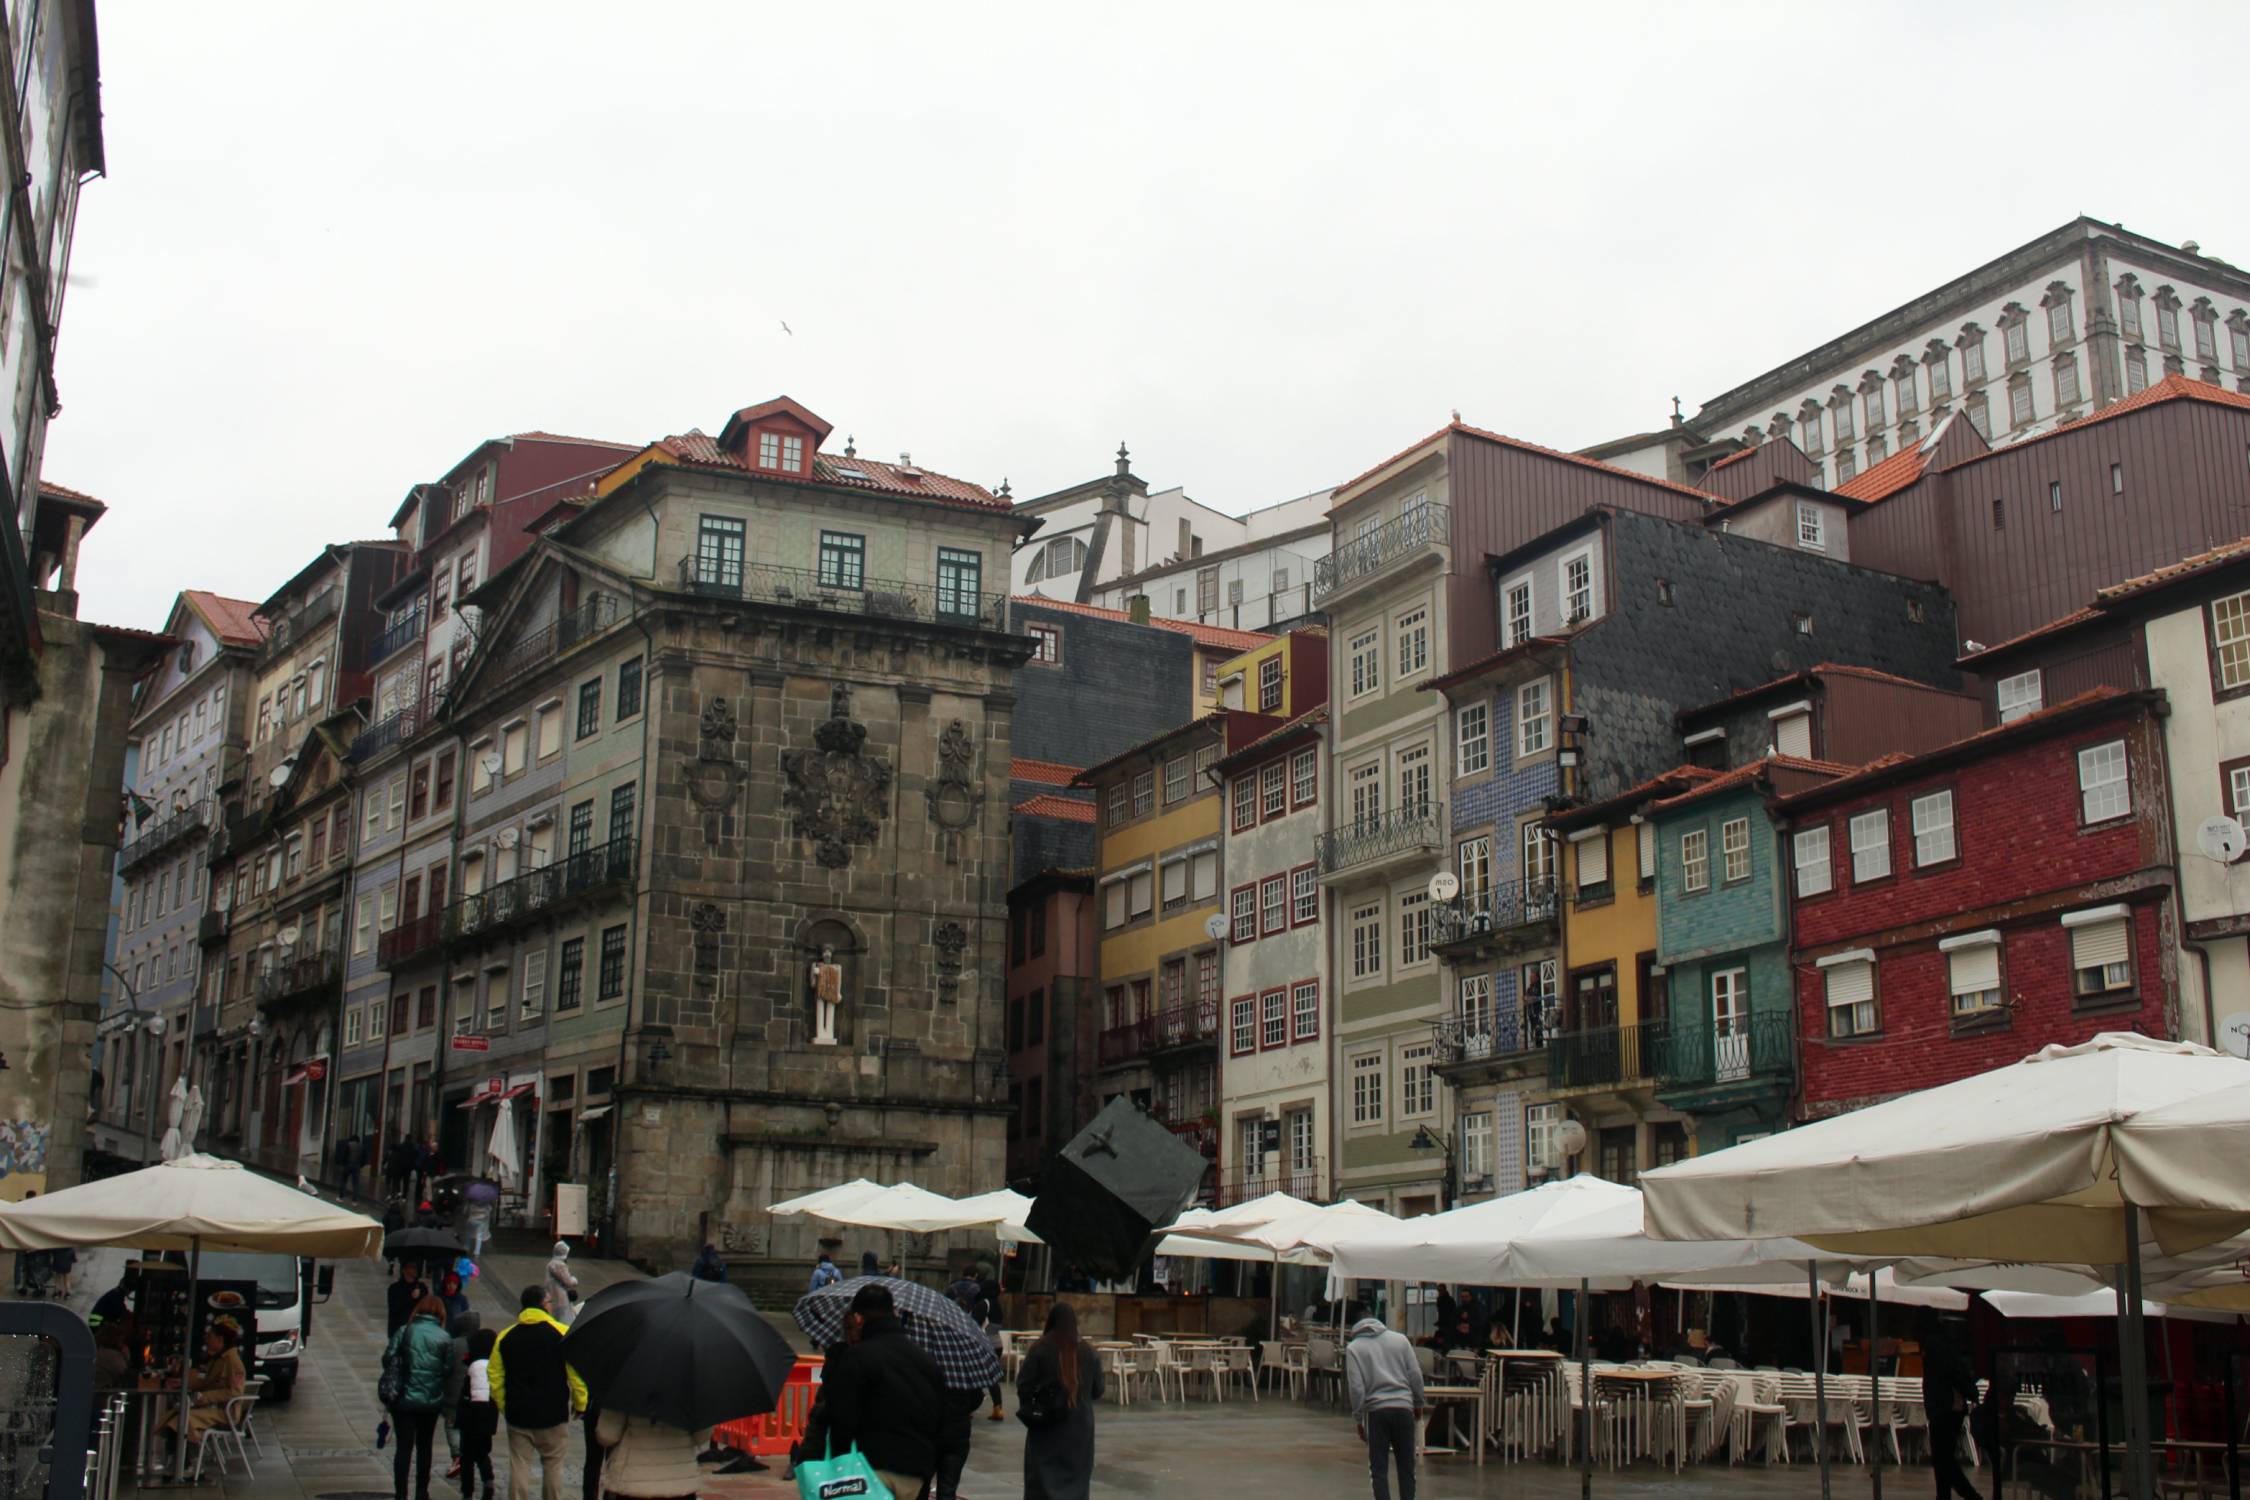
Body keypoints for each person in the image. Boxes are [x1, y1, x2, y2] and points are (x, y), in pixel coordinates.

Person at [816, 1284, 945, 1500]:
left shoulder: (858, 1357)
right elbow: (940, 1418)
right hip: (915, 1474)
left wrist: (838, 1468)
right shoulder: (926, 1360)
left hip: (870, 1470)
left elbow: (842, 1420)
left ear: (858, 1318)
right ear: (893, 1312)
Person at [489, 1284, 585, 1500]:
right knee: (553, 1466)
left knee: (519, 1465)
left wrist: (504, 1404)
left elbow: (495, 1376)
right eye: (549, 1302)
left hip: (519, 1413)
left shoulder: (506, 1336)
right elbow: (575, 1373)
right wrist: (581, 1403)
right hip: (553, 1414)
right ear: (544, 1305)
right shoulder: (561, 1333)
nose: (551, 1305)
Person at [1017, 1301, 1103, 1500]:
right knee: (1077, 1480)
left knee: (1042, 1479)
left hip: (1047, 1426)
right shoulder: (1088, 1352)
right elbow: (1098, 1390)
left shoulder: (1040, 1349)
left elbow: (1023, 1386)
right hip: (1080, 1428)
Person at [1346, 1316, 1425, 1500]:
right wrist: (1418, 1403)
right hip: (1404, 1409)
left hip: (1377, 1413)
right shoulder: (1400, 1339)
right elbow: (1415, 1375)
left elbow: (1356, 1388)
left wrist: (1358, 1418)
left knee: (1378, 1469)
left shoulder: (1354, 1348)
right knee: (1407, 1468)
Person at [385, 1294, 455, 1500]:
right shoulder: (444, 1337)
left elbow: (388, 1358)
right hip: (431, 1401)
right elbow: (448, 1369)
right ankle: (422, 1491)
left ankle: (401, 1493)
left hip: (405, 1398)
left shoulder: (405, 1331)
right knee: (425, 1446)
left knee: (404, 1447)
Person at [162, 1316, 247, 1446]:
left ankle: (186, 1458)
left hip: (225, 1413)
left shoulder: (233, 1362)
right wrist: (183, 1383)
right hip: (211, 1408)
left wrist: (205, 1397)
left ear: (220, 1340)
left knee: (183, 1419)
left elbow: (235, 1392)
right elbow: (205, 1381)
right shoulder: (217, 1359)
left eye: (209, 1336)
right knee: (175, 1414)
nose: (206, 1340)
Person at [595, 1407, 712, 1500]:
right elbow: (703, 1437)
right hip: (681, 1484)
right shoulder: (692, 1389)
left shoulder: (624, 1385)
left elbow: (607, 1435)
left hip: (633, 1483)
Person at [1923, 1324, 1984, 1500]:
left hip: (1945, 1408)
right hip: (1949, 1408)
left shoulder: (1935, 1348)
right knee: (1944, 1459)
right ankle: (1948, 1496)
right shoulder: (1949, 1349)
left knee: (1943, 1460)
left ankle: (1970, 1496)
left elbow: (1947, 1377)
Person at [455, 1320, 499, 1500]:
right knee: (482, 1453)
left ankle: (468, 1491)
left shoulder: (477, 1365)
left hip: (472, 1416)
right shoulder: (493, 1365)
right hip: (488, 1418)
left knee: (467, 1456)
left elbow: (476, 1393)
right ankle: (488, 1480)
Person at [443, 1310, 480, 1480]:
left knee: (452, 1425)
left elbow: (445, 1368)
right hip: (475, 1393)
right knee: (469, 1427)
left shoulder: (453, 1344)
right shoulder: (480, 1343)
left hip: (453, 1394)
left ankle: (457, 1456)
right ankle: (468, 1456)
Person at [543, 1240, 579, 1318]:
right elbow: (568, 1281)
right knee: (564, 1318)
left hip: (552, 1295)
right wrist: (574, 1280)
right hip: (560, 1298)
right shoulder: (559, 1265)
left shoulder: (552, 1263)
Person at [389, 1259, 425, 1335]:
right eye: (411, 1268)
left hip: (416, 1329)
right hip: (398, 1328)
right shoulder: (394, 1288)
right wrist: (410, 1297)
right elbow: (394, 1307)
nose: (413, 1271)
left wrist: (420, 1296)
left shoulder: (421, 1287)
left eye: (415, 1268)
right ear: (403, 1270)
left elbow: (425, 1307)